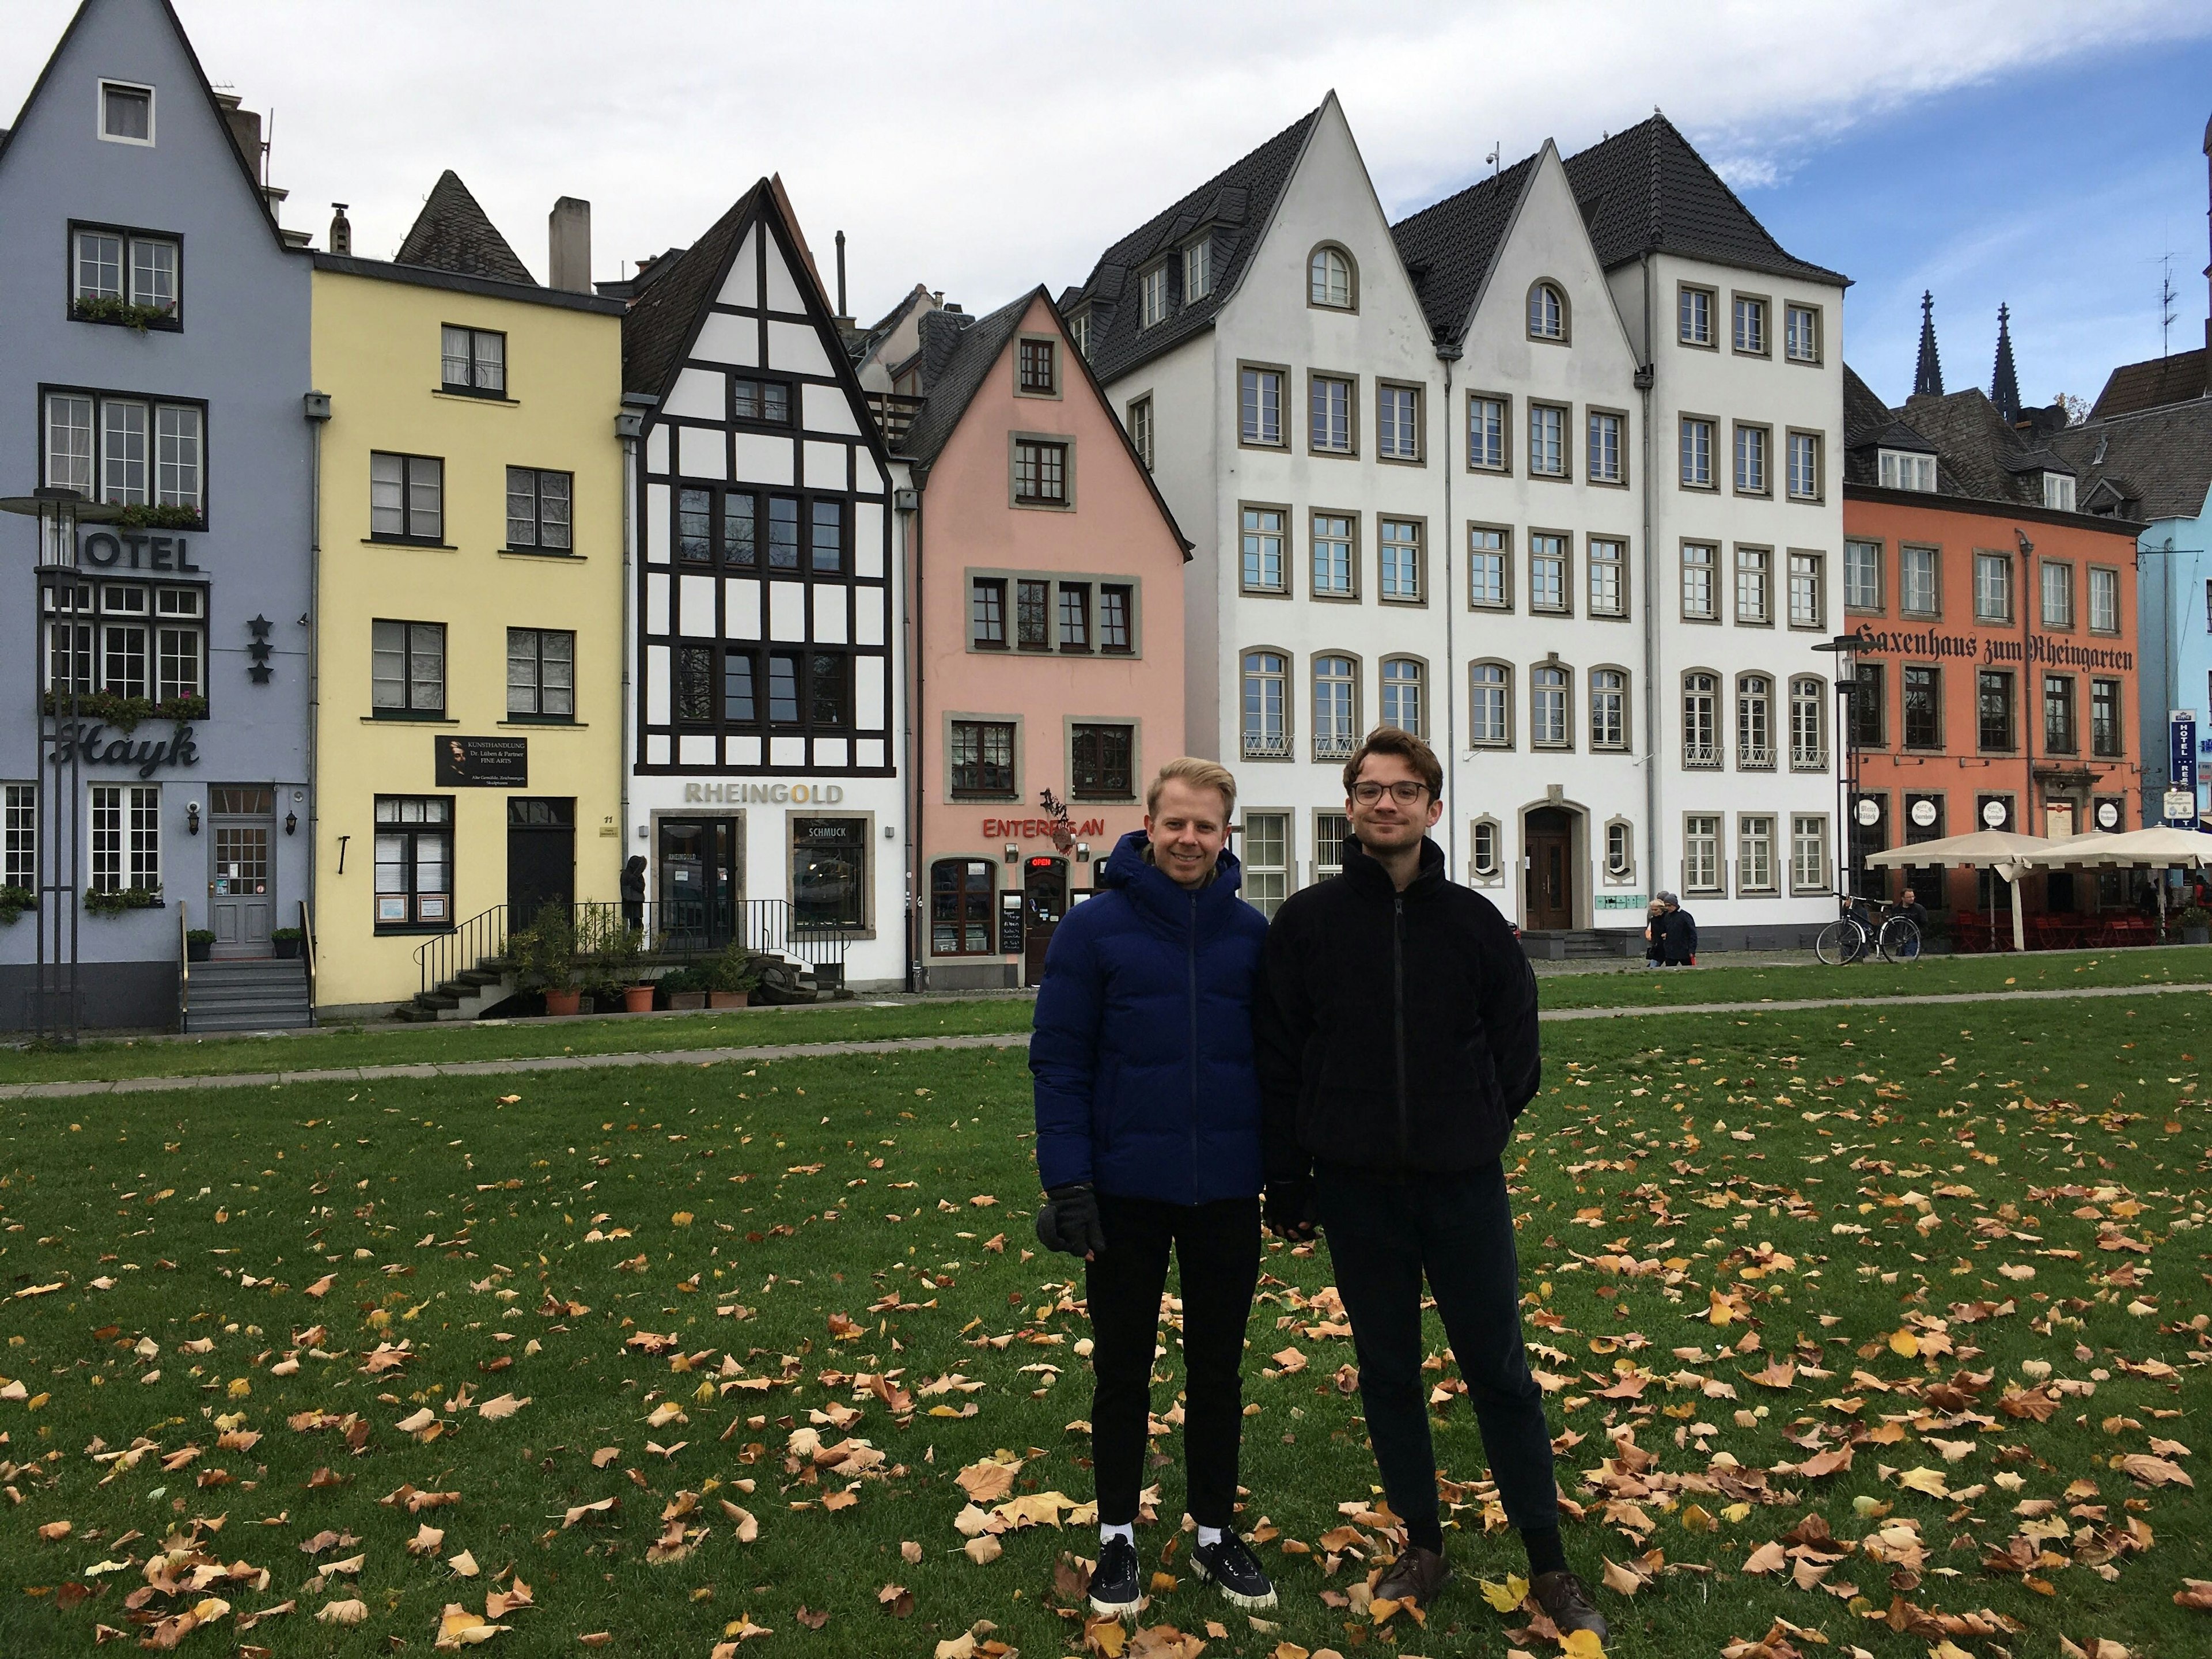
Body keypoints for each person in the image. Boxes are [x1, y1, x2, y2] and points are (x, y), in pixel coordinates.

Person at [1253, 728, 1608, 1641]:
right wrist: (1289, 1175)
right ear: (1349, 806)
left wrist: (1478, 1120)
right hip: (1357, 1188)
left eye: (1404, 791)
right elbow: (1281, 1056)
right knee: (1388, 1374)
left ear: (1431, 807)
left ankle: (1548, 1563)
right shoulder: (1308, 924)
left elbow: (1517, 1044)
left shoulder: (1475, 924)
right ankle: (1422, 1540)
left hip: (1462, 1185)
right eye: (1370, 790)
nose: (1386, 804)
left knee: (1500, 1371)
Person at [1029, 757, 1279, 1619]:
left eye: (1205, 826)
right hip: (1124, 1191)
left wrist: (1284, 1176)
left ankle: (1214, 1530)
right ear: (1148, 822)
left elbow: (1274, 1068)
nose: (1188, 839)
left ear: (1225, 834)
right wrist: (1067, 1181)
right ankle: (1116, 1538)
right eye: (1175, 823)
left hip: (1223, 1194)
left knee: (1217, 1369)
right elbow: (1059, 1063)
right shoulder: (1092, 931)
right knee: (1123, 1370)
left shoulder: (1251, 936)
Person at [1654, 890, 1698, 966]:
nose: (1668, 908)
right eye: (1666, 906)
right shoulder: (1667, 916)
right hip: (1671, 952)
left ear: (1675, 905)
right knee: (1670, 971)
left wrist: (1692, 950)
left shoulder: (1685, 916)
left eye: (1669, 906)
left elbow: (1693, 934)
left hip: (1684, 951)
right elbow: (1664, 929)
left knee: (1689, 970)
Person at [620, 855, 647, 931]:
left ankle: (635, 941)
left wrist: (636, 877)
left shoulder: (639, 875)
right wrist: (634, 878)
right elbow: (628, 889)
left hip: (637, 904)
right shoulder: (626, 875)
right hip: (630, 904)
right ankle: (631, 942)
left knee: (639, 925)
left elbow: (641, 887)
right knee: (633, 926)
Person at [1641, 899, 1666, 968]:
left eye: (1656, 910)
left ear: (1661, 909)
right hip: (1658, 946)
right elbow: (1653, 932)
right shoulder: (1653, 920)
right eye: (1652, 910)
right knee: (1654, 964)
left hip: (1667, 945)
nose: (1654, 912)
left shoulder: (1667, 918)